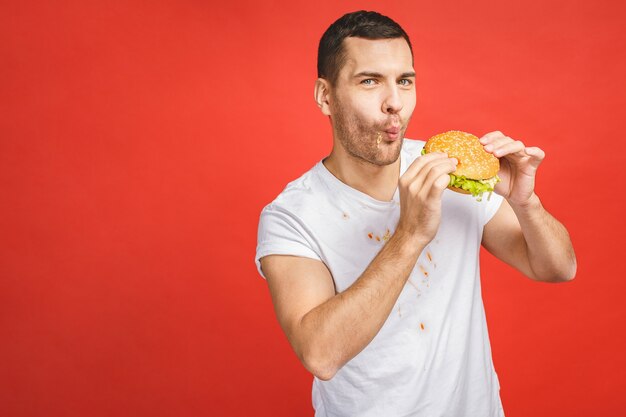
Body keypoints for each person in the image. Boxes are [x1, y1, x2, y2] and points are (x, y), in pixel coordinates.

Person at [255, 10, 576, 417]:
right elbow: (320, 354)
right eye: (369, 81)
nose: (395, 104)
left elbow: (558, 268)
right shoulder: (292, 215)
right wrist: (410, 234)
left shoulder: (447, 169)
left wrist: (525, 202)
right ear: (326, 96)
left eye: (404, 81)